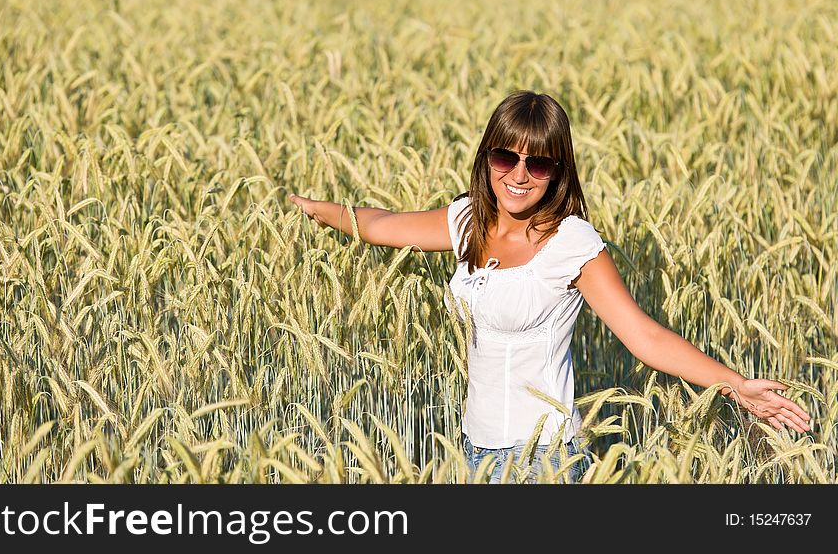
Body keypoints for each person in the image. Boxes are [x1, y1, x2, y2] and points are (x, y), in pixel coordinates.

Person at [288, 90, 812, 484]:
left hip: (543, 462)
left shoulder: (571, 242)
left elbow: (644, 338)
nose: (518, 174)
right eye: (504, 157)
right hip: (474, 452)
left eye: (537, 162)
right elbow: (381, 225)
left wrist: (735, 384)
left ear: (557, 170)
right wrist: (313, 209)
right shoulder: (469, 219)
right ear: (486, 158)